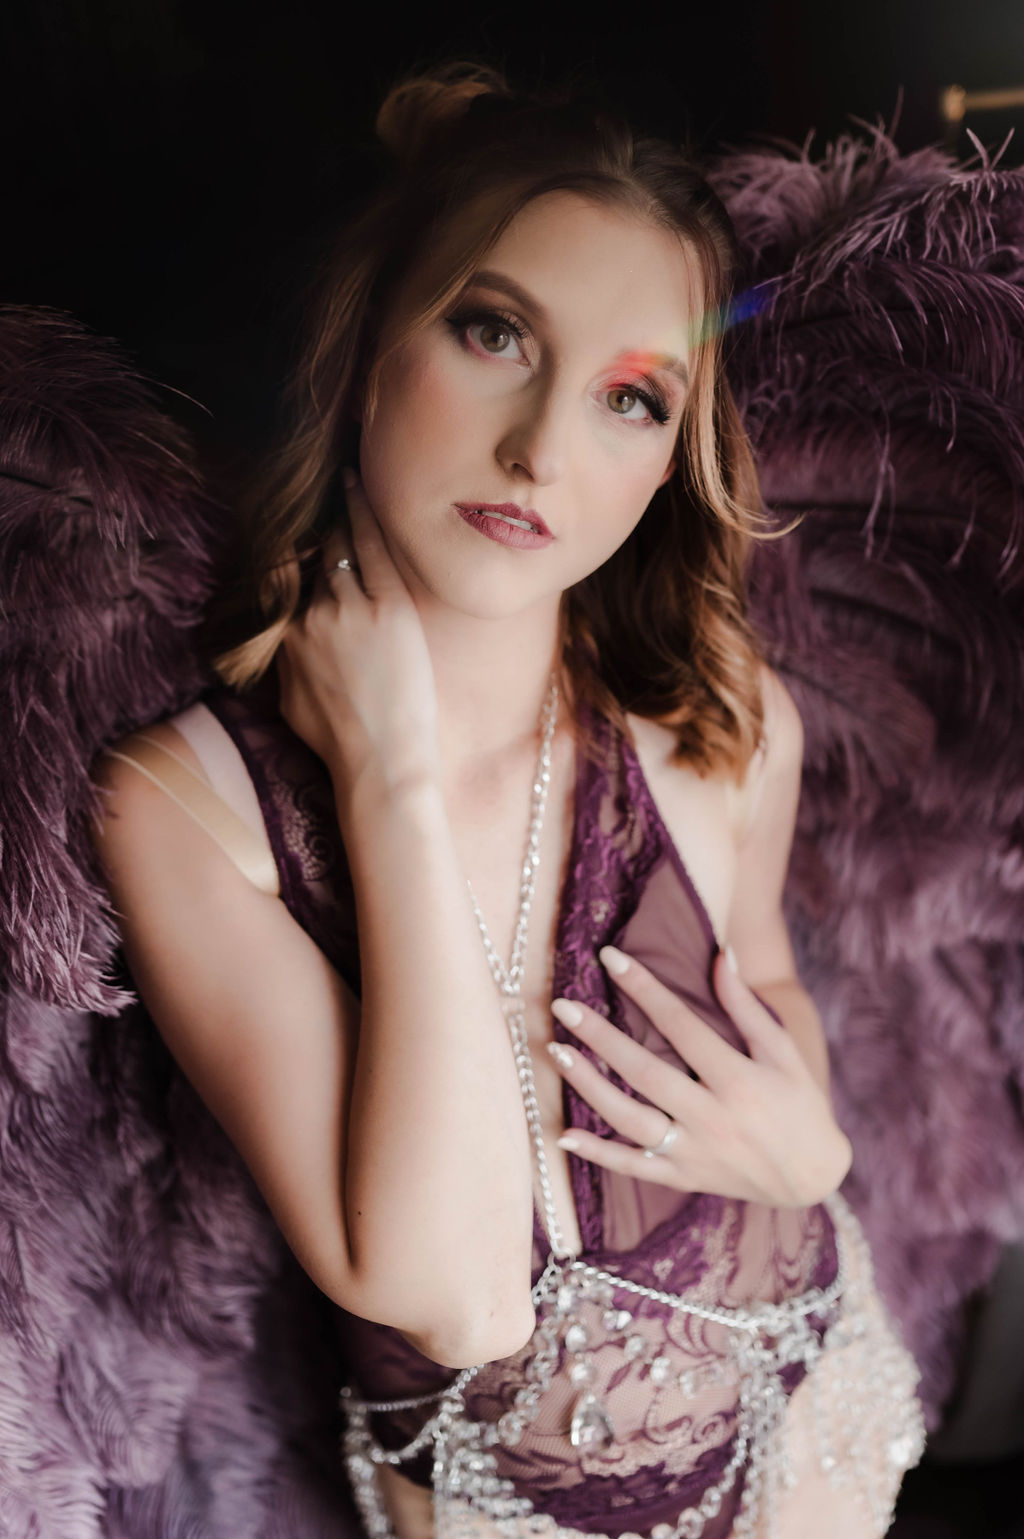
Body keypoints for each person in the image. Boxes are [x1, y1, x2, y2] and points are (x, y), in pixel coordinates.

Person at [89, 63, 925, 1539]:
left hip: (822, 1448)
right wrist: (392, 779)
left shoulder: (713, 720)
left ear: (671, 455)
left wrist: (819, 1145)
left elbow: (769, 978)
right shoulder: (189, 806)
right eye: (494, 333)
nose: (544, 449)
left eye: (628, 396)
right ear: (367, 340)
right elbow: (455, 1289)